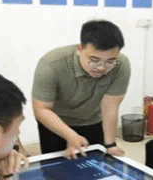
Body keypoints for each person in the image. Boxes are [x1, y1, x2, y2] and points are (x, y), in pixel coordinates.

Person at [32, 20, 131, 158]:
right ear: (79, 49)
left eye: (110, 61)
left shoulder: (121, 65)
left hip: (93, 122)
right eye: (94, 60)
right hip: (55, 123)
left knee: (96, 164)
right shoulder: (51, 64)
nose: (101, 67)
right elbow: (41, 109)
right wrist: (70, 136)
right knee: (57, 167)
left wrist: (110, 145)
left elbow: (110, 107)